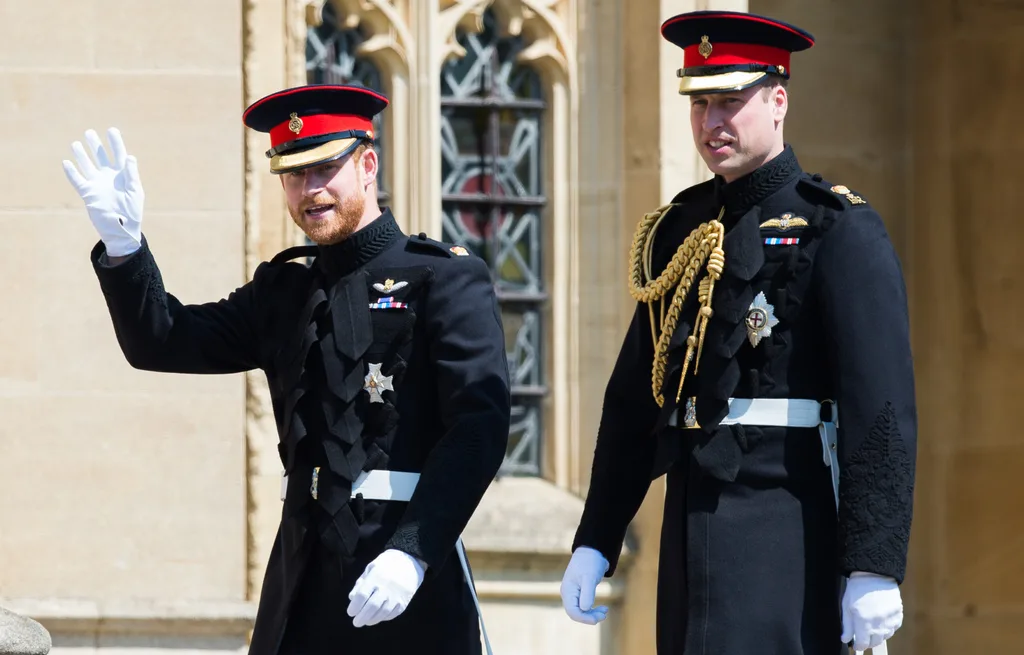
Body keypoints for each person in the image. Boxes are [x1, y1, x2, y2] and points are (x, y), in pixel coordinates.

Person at [61, 84, 510, 655]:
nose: (310, 190)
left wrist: (414, 549)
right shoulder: (285, 291)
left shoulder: (443, 279)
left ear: (367, 164)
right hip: (300, 581)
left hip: (405, 577)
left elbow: (478, 427)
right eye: (294, 174)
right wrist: (124, 249)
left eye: (326, 169)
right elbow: (163, 341)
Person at [560, 10, 916, 655]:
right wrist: (597, 535)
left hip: (786, 516)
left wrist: (875, 562)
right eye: (699, 103)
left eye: (730, 101)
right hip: (691, 512)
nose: (710, 123)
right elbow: (636, 399)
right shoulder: (680, 228)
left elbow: (881, 408)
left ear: (778, 100)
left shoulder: (836, 226)